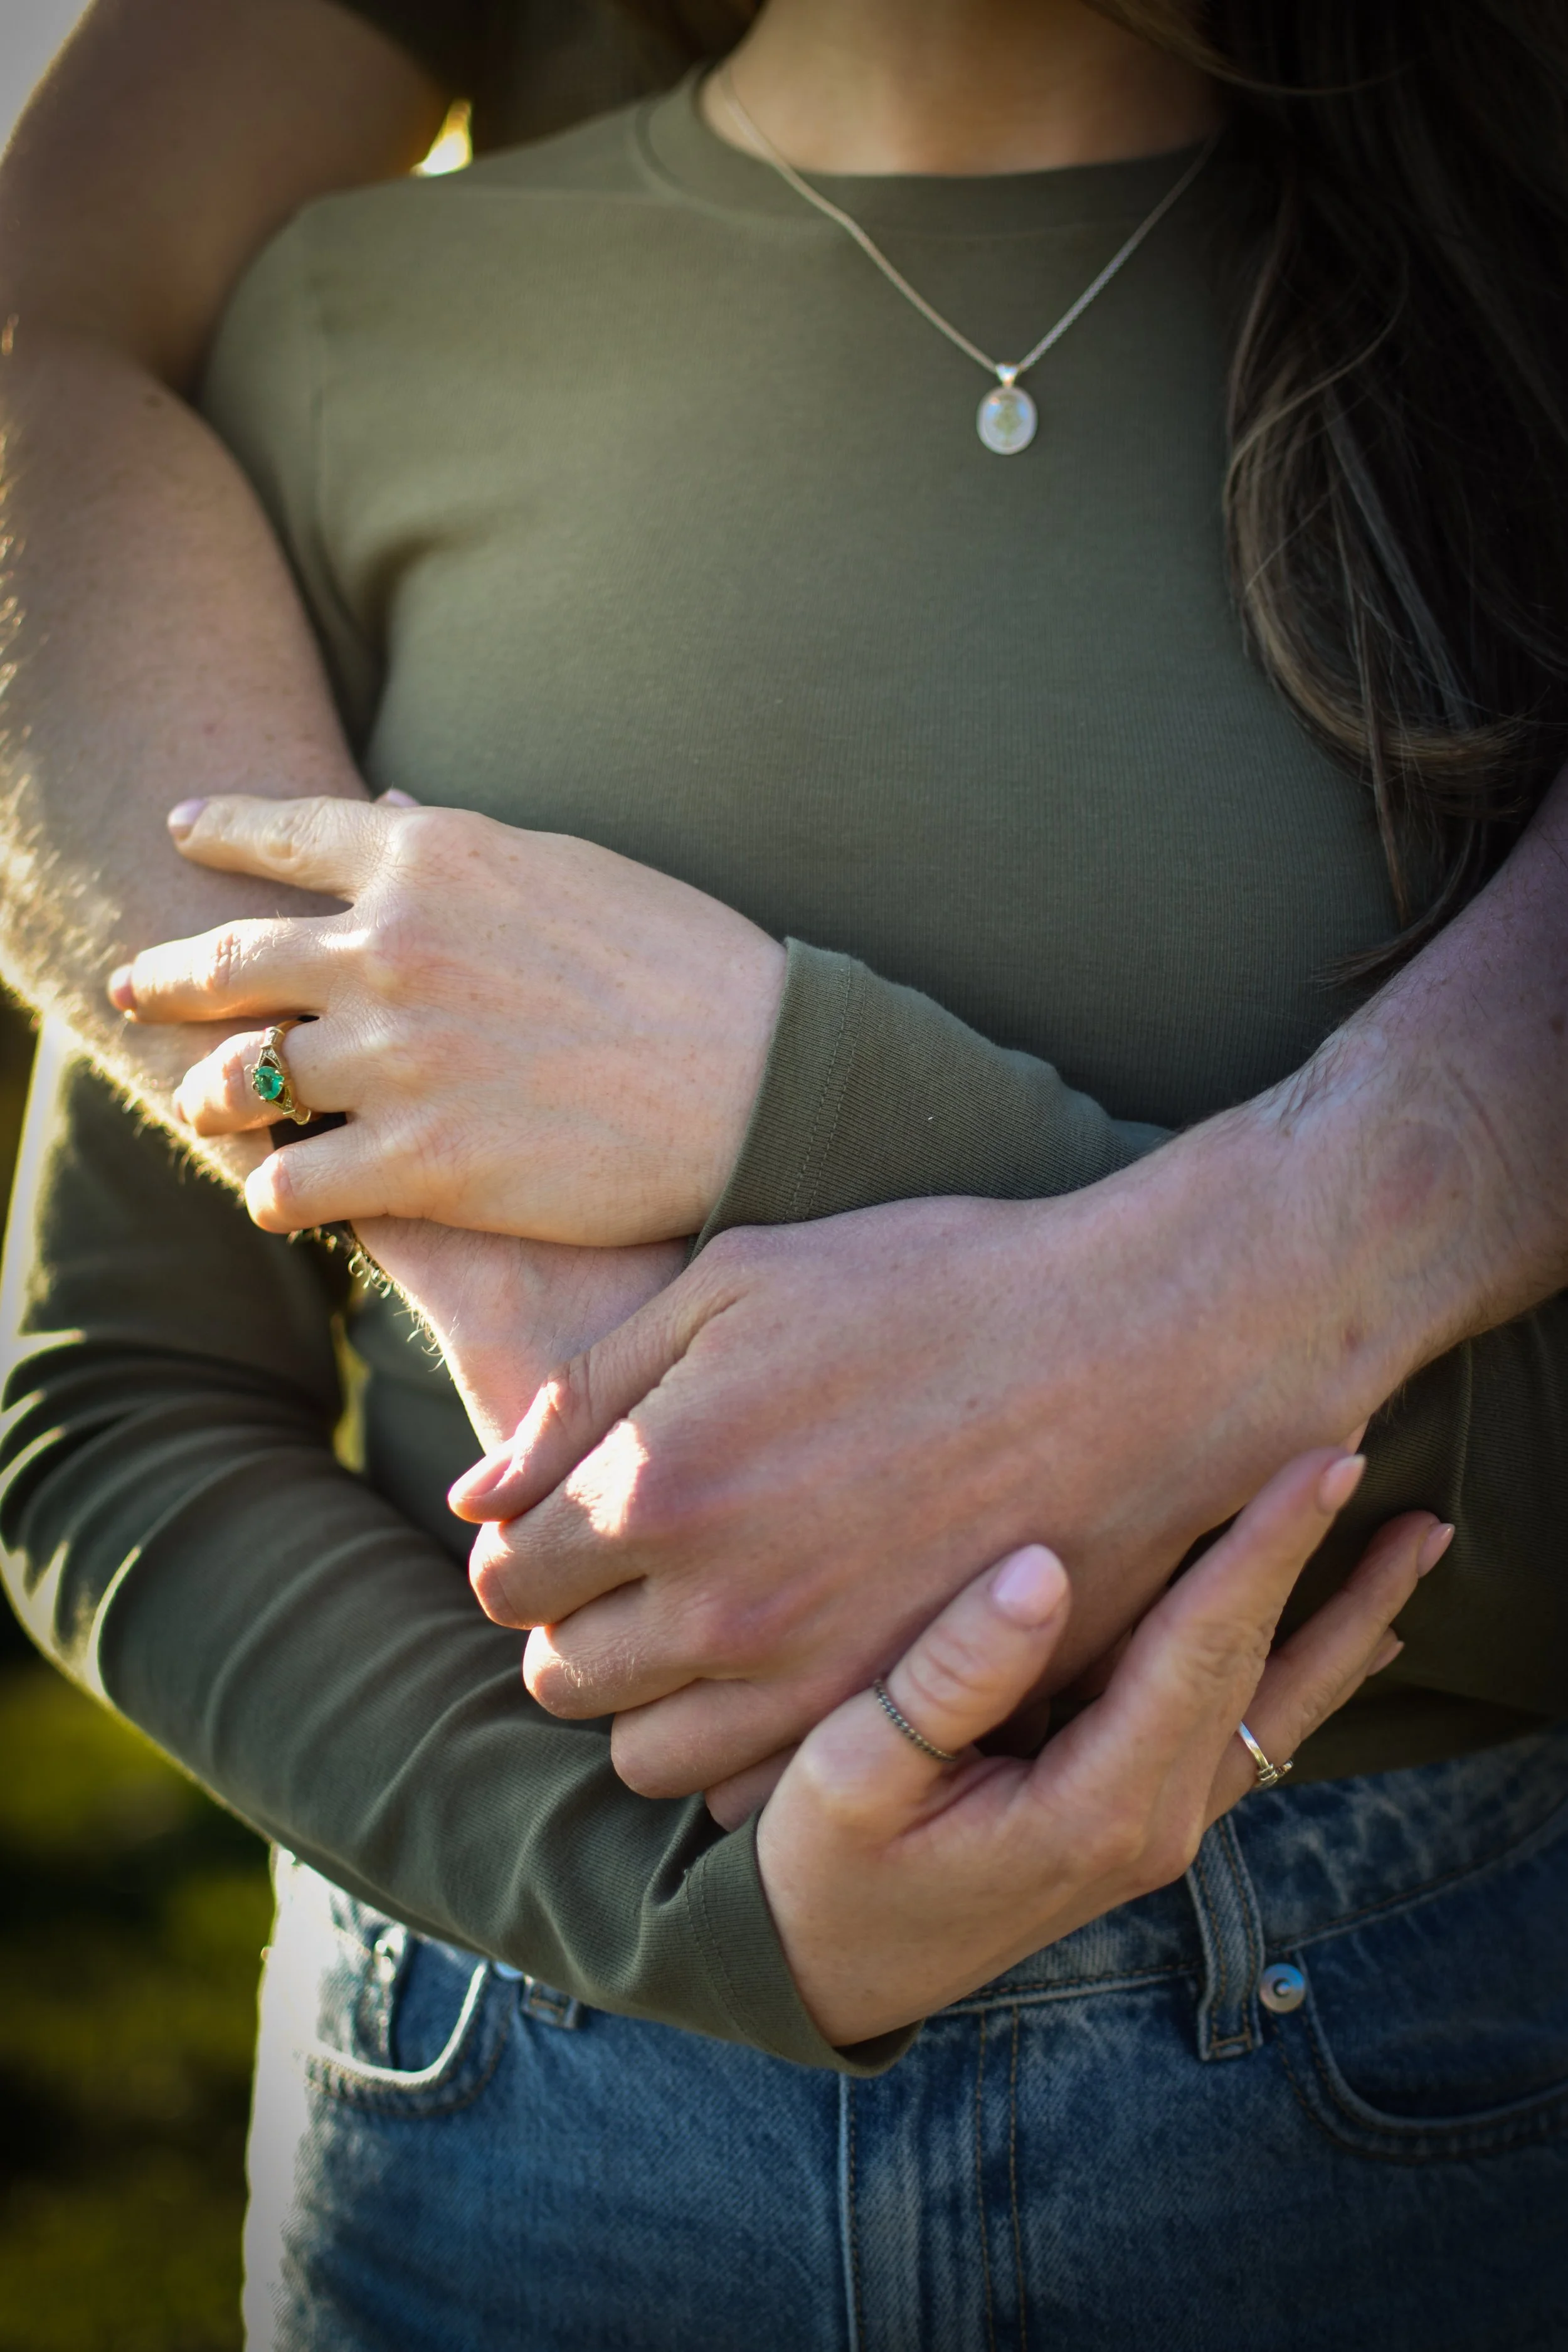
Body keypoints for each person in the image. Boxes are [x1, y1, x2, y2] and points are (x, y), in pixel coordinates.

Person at [2, 1, 1567, 2344]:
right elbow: (111, 1412)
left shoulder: (1494, 350)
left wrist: (782, 1091)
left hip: (1405, 2117)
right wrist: (668, 1906)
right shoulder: (336, 337)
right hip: (507, 2126)